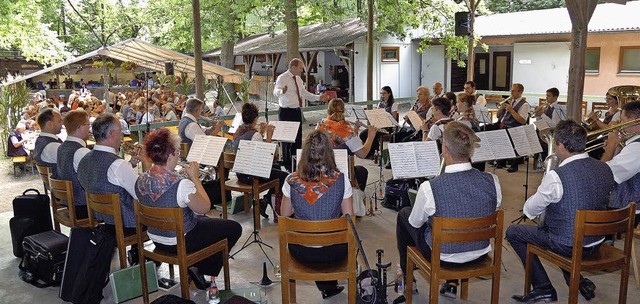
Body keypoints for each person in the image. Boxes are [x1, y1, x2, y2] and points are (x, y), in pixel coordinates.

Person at [507, 120, 614, 303]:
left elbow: (529, 210)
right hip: (596, 241)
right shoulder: (605, 168)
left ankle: (543, 288)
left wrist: (544, 188)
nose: (554, 148)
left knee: (514, 232)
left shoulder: (556, 176)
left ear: (562, 146)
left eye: (555, 143)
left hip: (569, 244)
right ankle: (578, 281)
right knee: (566, 229)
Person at [394, 122, 501, 304]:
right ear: (470, 151)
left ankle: (407, 278)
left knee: (405, 215)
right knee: (460, 216)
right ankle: (452, 285)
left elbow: (415, 223)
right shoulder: (493, 180)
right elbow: (493, 206)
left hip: (443, 257)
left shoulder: (430, 187)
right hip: (480, 251)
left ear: (444, 150)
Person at [135, 128, 242, 290]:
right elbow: (204, 207)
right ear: (170, 155)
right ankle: (200, 268)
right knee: (234, 228)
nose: (179, 155)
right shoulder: (181, 185)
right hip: (180, 241)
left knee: (205, 222)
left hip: (156, 238)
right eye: (177, 151)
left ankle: (195, 266)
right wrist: (195, 178)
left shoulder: (140, 180)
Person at [280, 130, 353, 300]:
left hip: (301, 251)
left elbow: (284, 216)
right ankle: (329, 285)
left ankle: (327, 286)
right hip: (333, 252)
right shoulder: (342, 180)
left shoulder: (291, 181)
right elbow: (349, 220)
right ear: (329, 152)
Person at [77, 113, 150, 263]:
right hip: (128, 224)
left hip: (102, 220)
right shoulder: (117, 165)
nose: (122, 134)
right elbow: (144, 194)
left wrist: (130, 165)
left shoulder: (84, 160)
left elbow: (106, 180)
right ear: (112, 134)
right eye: (120, 131)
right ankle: (149, 256)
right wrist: (147, 163)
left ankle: (138, 254)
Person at [230, 103, 288, 220]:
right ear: (256, 118)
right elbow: (265, 157)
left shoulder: (238, 132)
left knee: (276, 168)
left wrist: (261, 133)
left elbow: (252, 144)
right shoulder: (255, 135)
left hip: (241, 173)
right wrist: (269, 136)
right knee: (284, 176)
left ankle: (266, 201)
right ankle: (268, 201)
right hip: (252, 175)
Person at [274, 58, 328, 172]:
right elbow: (275, 92)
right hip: (285, 111)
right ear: (293, 67)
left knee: (297, 139)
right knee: (286, 140)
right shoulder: (282, 78)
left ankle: (297, 163)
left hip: (296, 111)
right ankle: (288, 166)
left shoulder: (298, 79)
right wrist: (281, 91)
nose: (302, 70)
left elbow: (304, 93)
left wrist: (318, 97)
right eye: (300, 67)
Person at [317, 98, 377, 192]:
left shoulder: (320, 125)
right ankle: (354, 199)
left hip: (321, 170)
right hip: (341, 172)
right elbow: (363, 154)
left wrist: (355, 130)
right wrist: (370, 136)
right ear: (343, 111)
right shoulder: (347, 131)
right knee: (362, 171)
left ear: (328, 110)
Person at [601, 100, 640, 228]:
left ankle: (597, 243)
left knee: (577, 204)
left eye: (623, 121)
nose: (619, 125)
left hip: (626, 209)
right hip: (624, 202)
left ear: (635, 120)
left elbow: (602, 176)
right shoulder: (632, 143)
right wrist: (617, 149)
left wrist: (610, 147)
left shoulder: (636, 148)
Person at [56, 110, 92, 219]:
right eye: (88, 124)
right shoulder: (81, 151)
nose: (89, 128)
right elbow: (96, 179)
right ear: (80, 127)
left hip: (69, 202)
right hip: (83, 206)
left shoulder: (61, 147)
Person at [494, 83, 530, 173]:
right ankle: (501, 161)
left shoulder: (524, 105)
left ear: (520, 92)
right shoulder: (509, 101)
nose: (511, 92)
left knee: (507, 134)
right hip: (504, 124)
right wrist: (502, 108)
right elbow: (498, 116)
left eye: (514, 90)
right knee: (490, 129)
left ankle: (514, 164)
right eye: (511, 90)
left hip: (515, 127)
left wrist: (511, 110)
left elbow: (522, 121)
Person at [358, 86, 398, 159]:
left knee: (373, 134)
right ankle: (371, 152)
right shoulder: (380, 104)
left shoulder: (393, 104)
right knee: (362, 134)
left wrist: (383, 115)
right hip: (378, 126)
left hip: (387, 128)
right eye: (381, 94)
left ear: (389, 94)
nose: (382, 95)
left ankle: (374, 152)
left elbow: (394, 119)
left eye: (384, 93)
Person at [34, 109, 63, 177]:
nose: (62, 123)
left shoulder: (40, 140)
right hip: (64, 185)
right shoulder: (52, 146)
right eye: (59, 121)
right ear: (49, 124)